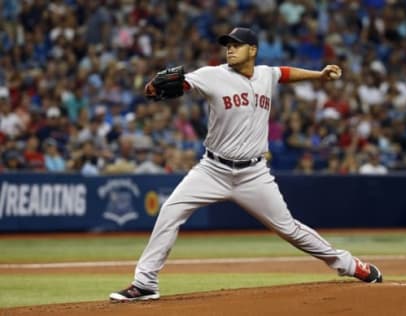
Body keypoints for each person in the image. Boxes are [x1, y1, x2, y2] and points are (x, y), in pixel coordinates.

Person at [110, 27, 383, 302]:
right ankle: (145, 283)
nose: (230, 48)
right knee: (170, 212)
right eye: (227, 44)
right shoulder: (212, 75)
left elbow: (284, 73)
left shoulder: (265, 74)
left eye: (237, 45)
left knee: (289, 229)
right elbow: (183, 84)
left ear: (252, 50)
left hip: (253, 174)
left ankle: (350, 266)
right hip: (212, 169)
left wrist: (320, 75)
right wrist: (154, 87)